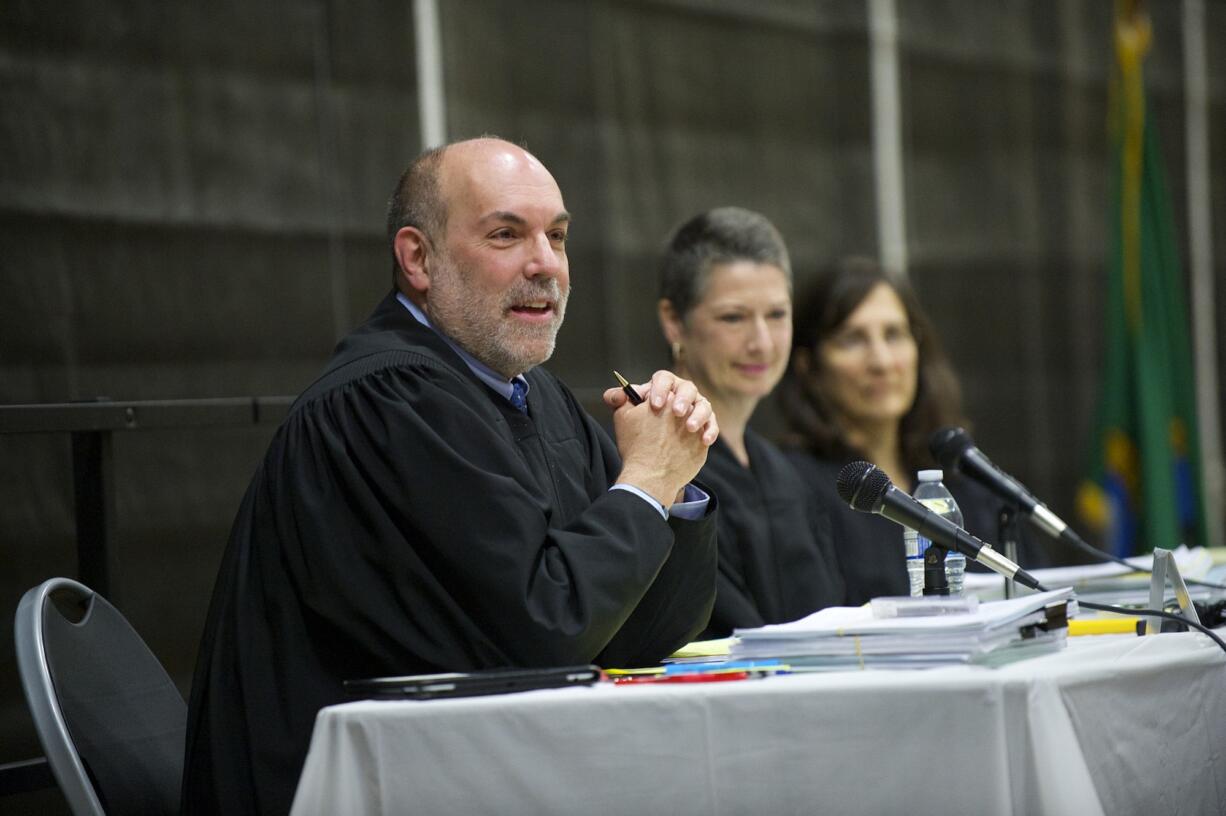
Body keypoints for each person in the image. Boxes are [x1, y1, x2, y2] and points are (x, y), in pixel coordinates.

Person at [182, 137, 721, 815]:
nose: (546, 265)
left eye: (557, 236)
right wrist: (644, 482)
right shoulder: (389, 402)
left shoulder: (534, 395)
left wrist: (674, 484)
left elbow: (641, 632)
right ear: (418, 258)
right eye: (506, 235)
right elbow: (543, 634)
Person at [778, 256, 1048, 605]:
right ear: (808, 365)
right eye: (852, 339)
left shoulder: (964, 483)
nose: (881, 362)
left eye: (894, 335)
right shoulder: (790, 486)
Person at [656, 207, 843, 639]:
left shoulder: (782, 472)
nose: (761, 342)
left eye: (777, 315)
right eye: (733, 317)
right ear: (673, 321)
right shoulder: (660, 465)